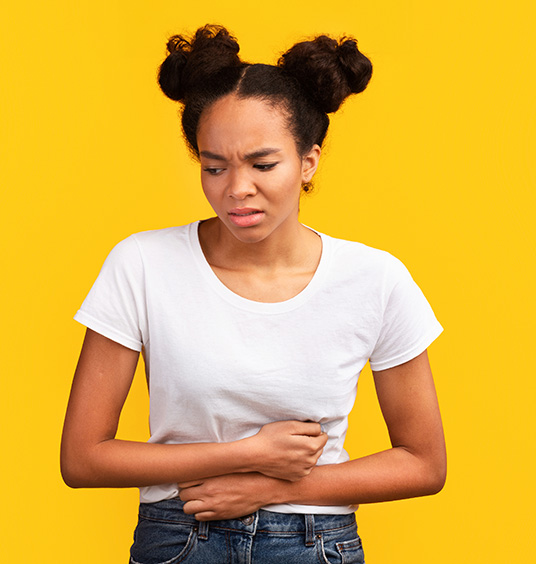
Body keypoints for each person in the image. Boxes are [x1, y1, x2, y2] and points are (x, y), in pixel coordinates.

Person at [59, 24, 445, 563]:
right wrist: (247, 454)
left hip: (314, 543)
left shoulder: (374, 279)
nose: (237, 188)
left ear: (308, 161)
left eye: (263, 165)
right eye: (214, 166)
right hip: (180, 538)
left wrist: (275, 488)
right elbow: (83, 459)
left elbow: (424, 463)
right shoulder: (142, 264)